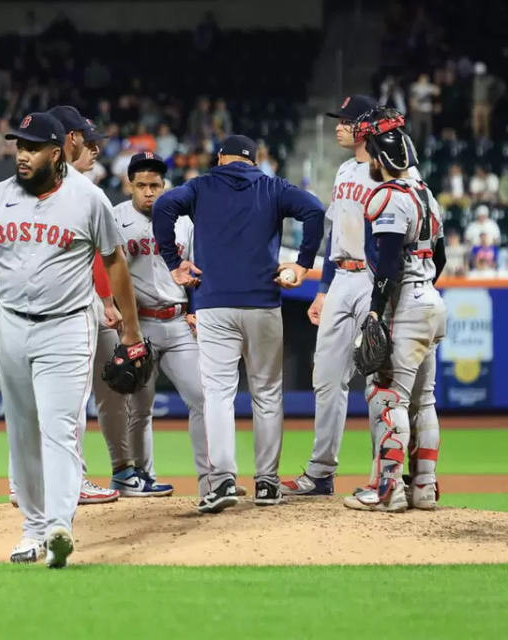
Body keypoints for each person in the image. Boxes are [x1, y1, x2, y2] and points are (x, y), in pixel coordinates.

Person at [0, 112, 145, 568]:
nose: (22, 154)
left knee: (58, 427)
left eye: (32, 147)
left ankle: (58, 526)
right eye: (19, 145)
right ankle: (32, 530)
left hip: (67, 325)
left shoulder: (88, 199)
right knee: (21, 429)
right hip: (12, 324)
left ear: (56, 153)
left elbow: (115, 264)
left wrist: (131, 331)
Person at [153, 134, 324, 512]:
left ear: (220, 158)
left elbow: (163, 205)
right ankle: (267, 483)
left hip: (214, 305)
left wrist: (172, 261)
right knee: (267, 394)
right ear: (254, 160)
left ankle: (223, 480)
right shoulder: (273, 186)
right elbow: (314, 210)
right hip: (263, 302)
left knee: (217, 394)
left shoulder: (200, 186)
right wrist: (303, 263)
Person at [343, 108, 446, 512]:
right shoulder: (427, 195)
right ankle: (424, 487)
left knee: (389, 398)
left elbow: (386, 264)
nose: (368, 160)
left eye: (371, 154)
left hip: (407, 305)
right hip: (432, 302)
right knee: (426, 401)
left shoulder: (388, 197)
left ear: (383, 159)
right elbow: (441, 259)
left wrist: (374, 311)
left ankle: (388, 491)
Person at [282, 95, 384, 497]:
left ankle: (384, 475)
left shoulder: (386, 170)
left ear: (365, 127)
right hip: (341, 276)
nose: (338, 126)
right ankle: (321, 472)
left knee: (379, 380)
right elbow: (331, 236)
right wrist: (322, 291)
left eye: (345, 121)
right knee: (325, 378)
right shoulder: (344, 170)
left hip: (374, 280)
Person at [109, 152, 212, 497]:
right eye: (142, 185)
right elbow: (106, 272)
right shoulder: (115, 219)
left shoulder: (184, 220)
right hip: (140, 325)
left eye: (155, 185)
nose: (149, 192)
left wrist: (197, 308)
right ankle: (141, 476)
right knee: (139, 407)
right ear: (130, 186)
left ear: (164, 185)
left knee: (203, 397)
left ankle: (211, 479)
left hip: (179, 321)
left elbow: (198, 268)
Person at [47, 104, 122, 505]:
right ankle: (73, 482)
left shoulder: (30, 188)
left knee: (36, 400)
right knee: (73, 399)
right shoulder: (85, 194)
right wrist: (109, 301)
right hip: (76, 302)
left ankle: (22, 482)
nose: (95, 150)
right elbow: (102, 256)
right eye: (88, 142)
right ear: (69, 140)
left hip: (34, 306)